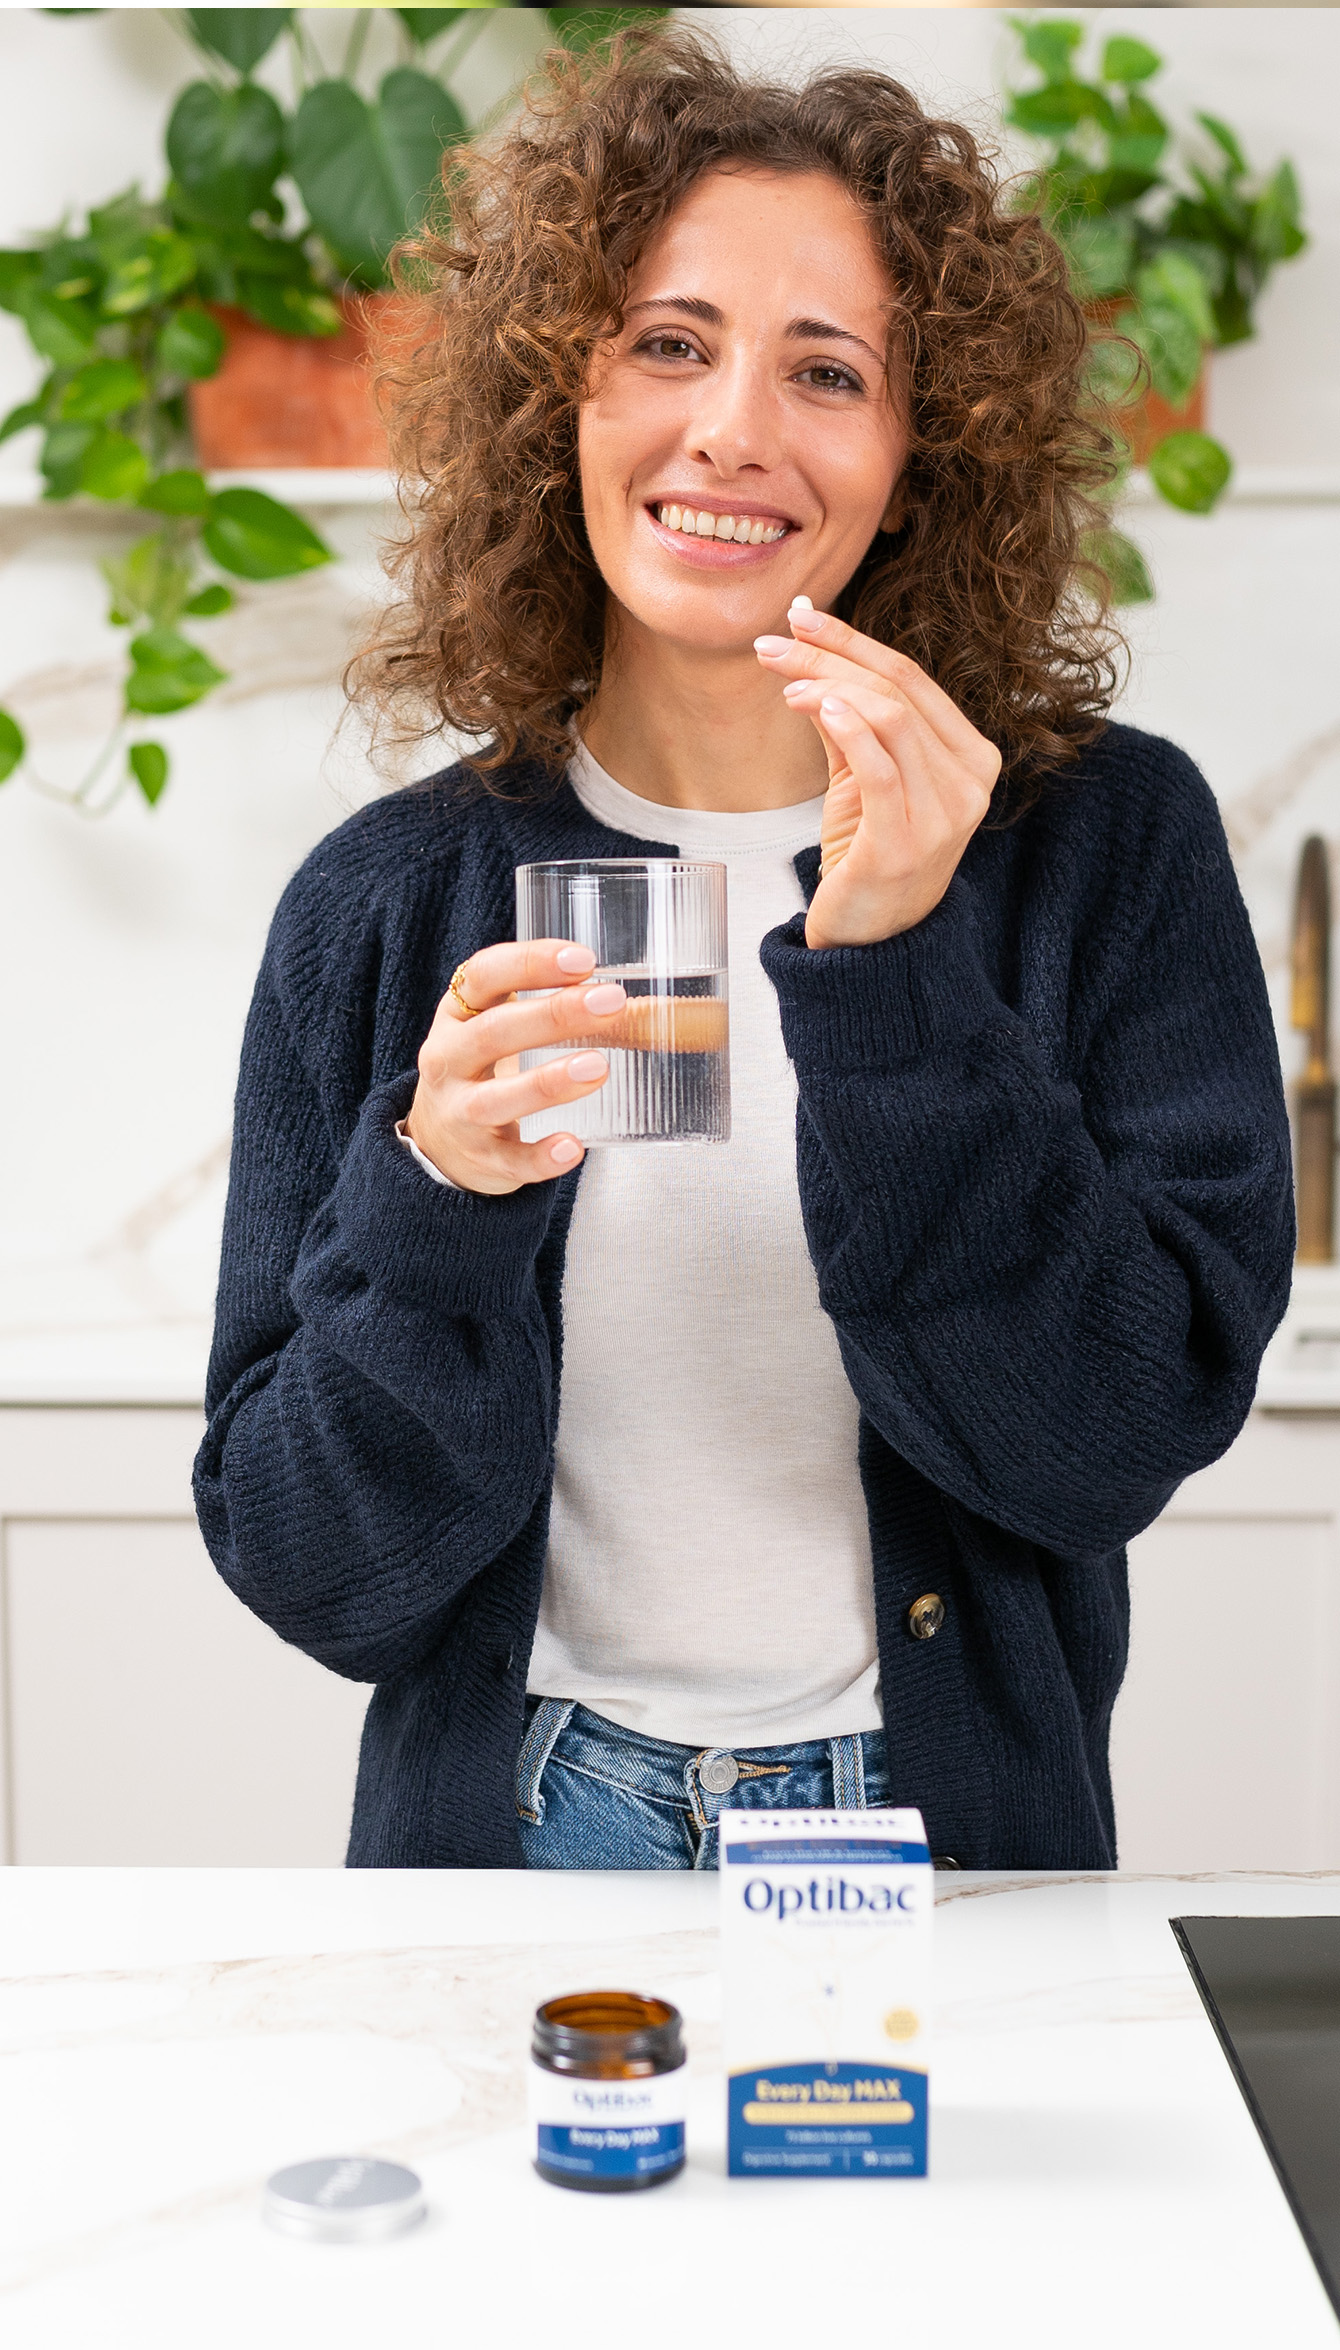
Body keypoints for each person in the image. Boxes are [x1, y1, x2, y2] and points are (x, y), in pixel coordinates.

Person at [194, 29, 1293, 1873]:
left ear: (920, 449)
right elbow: (323, 1578)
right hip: (527, 1843)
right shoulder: (384, 902)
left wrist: (889, 975)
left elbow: (1104, 1444)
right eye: (670, 343)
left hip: (946, 1847)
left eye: (829, 372)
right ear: (562, 394)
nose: (735, 431)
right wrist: (435, 1195)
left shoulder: (1105, 847)